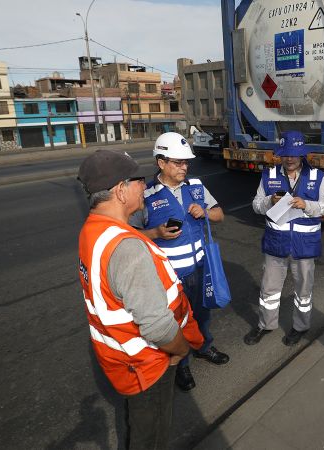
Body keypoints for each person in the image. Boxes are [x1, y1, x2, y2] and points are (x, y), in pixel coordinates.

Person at [76, 149, 204, 449]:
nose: (145, 187)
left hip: (121, 361)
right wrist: (181, 349)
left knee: (137, 428)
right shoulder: (127, 247)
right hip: (148, 365)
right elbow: (158, 327)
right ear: (121, 190)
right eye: (139, 180)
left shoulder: (93, 231)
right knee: (151, 437)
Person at [130, 132, 229, 392]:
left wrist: (205, 212)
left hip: (199, 269)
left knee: (202, 314)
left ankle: (205, 347)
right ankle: (181, 364)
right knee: (176, 322)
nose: (184, 167)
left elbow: (220, 215)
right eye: (178, 162)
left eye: (186, 162)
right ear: (161, 163)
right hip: (169, 277)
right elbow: (129, 236)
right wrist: (155, 233)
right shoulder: (146, 195)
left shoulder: (196, 186)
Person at [243, 130, 324, 346]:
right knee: (269, 290)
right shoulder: (269, 176)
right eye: (285, 155)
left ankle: (300, 327)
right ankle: (266, 324)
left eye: (294, 154)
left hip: (304, 246)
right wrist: (269, 202)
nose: (289, 159)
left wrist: (307, 205)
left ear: (301, 155)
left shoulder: (315, 177)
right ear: (280, 155)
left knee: (303, 291)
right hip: (276, 244)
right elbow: (256, 205)